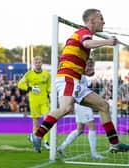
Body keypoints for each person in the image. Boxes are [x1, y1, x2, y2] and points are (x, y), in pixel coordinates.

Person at [31, 8, 129, 153]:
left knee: (103, 106)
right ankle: (37, 135)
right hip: (68, 78)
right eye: (101, 18)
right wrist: (107, 41)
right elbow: (87, 44)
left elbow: (74, 56)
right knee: (66, 108)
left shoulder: (81, 35)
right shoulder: (84, 33)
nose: (104, 21)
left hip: (73, 79)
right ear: (91, 20)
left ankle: (114, 144)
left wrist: (84, 70)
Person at [57, 59, 105, 159]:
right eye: (89, 65)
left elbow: (89, 74)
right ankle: (94, 153)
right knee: (92, 127)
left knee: (80, 129)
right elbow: (75, 88)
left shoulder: (80, 72)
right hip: (82, 102)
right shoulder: (76, 72)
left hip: (80, 102)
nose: (90, 67)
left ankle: (61, 147)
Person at [18, 56, 51, 150]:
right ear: (34, 63)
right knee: (36, 124)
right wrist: (30, 88)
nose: (38, 64)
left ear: (42, 63)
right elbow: (20, 84)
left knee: (47, 121)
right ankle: (36, 141)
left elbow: (49, 87)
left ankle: (46, 141)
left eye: (39, 62)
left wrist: (51, 94)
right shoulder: (28, 74)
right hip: (34, 102)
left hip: (45, 101)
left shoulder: (46, 74)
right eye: (36, 62)